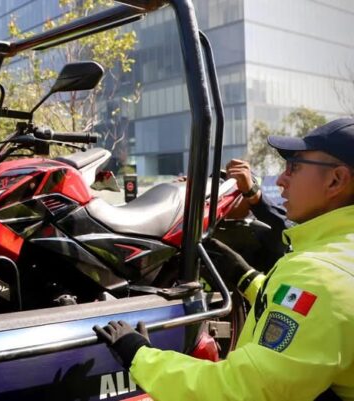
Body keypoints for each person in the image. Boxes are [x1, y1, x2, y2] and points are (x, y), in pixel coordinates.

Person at [94, 117, 354, 400]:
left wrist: (140, 357)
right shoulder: (338, 257)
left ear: (336, 180)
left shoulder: (319, 275)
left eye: (294, 167)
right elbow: (311, 310)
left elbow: (241, 390)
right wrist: (247, 277)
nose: (281, 179)